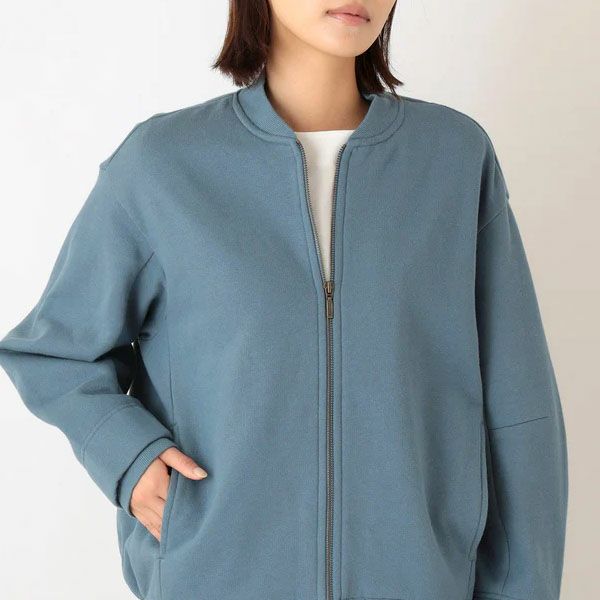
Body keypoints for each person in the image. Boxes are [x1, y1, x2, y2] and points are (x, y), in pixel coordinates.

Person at [0, 1, 568, 599]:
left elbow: (519, 406)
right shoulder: (162, 164)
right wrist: (129, 455)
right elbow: (55, 352)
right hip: (217, 578)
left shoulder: (452, 158)